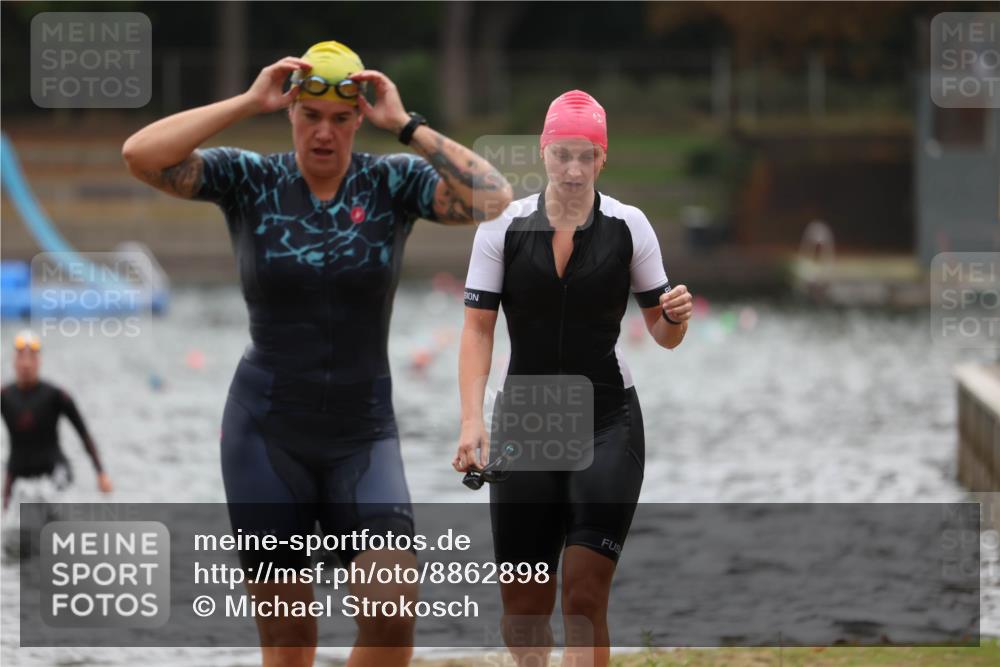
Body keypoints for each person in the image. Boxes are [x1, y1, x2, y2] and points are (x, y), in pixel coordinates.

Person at [122, 40, 511, 667]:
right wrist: (248, 101)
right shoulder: (251, 181)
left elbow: (494, 198)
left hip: (363, 435)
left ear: (358, 118)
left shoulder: (392, 182)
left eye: (339, 118)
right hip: (266, 435)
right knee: (289, 641)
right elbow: (140, 154)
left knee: (392, 617)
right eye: (310, 116)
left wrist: (406, 126)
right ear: (291, 113)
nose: (324, 133)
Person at [454, 90, 693, 667]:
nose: (573, 168)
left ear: (602, 159)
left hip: (606, 419)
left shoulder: (629, 226)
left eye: (586, 155)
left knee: (584, 596)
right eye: (562, 153)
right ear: (544, 152)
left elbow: (662, 333)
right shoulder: (502, 229)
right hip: (527, 420)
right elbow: (478, 330)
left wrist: (676, 318)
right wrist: (470, 421)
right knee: (524, 613)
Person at [1, 331, 113, 511]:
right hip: (17, 471)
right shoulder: (4, 396)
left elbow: (83, 434)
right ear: (14, 362)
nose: (26, 364)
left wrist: (101, 473)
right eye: (21, 358)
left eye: (32, 358)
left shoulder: (56, 395)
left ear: (39, 362)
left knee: (51, 502)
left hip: (54, 469)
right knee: (6, 524)